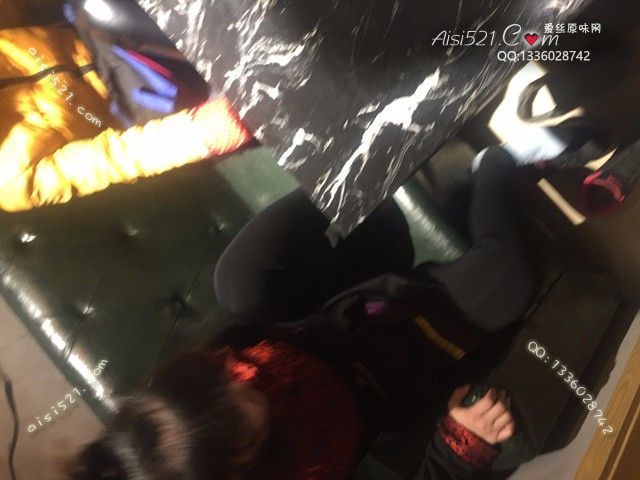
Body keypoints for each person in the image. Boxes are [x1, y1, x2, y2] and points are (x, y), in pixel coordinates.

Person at [67, 146, 535, 480]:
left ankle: (364, 159)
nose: (243, 378)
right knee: (509, 280)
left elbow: (252, 326)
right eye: (241, 402)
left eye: (224, 381)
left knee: (236, 283)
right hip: (391, 373)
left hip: (332, 313)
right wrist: (458, 446)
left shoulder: (202, 391)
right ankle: (498, 159)